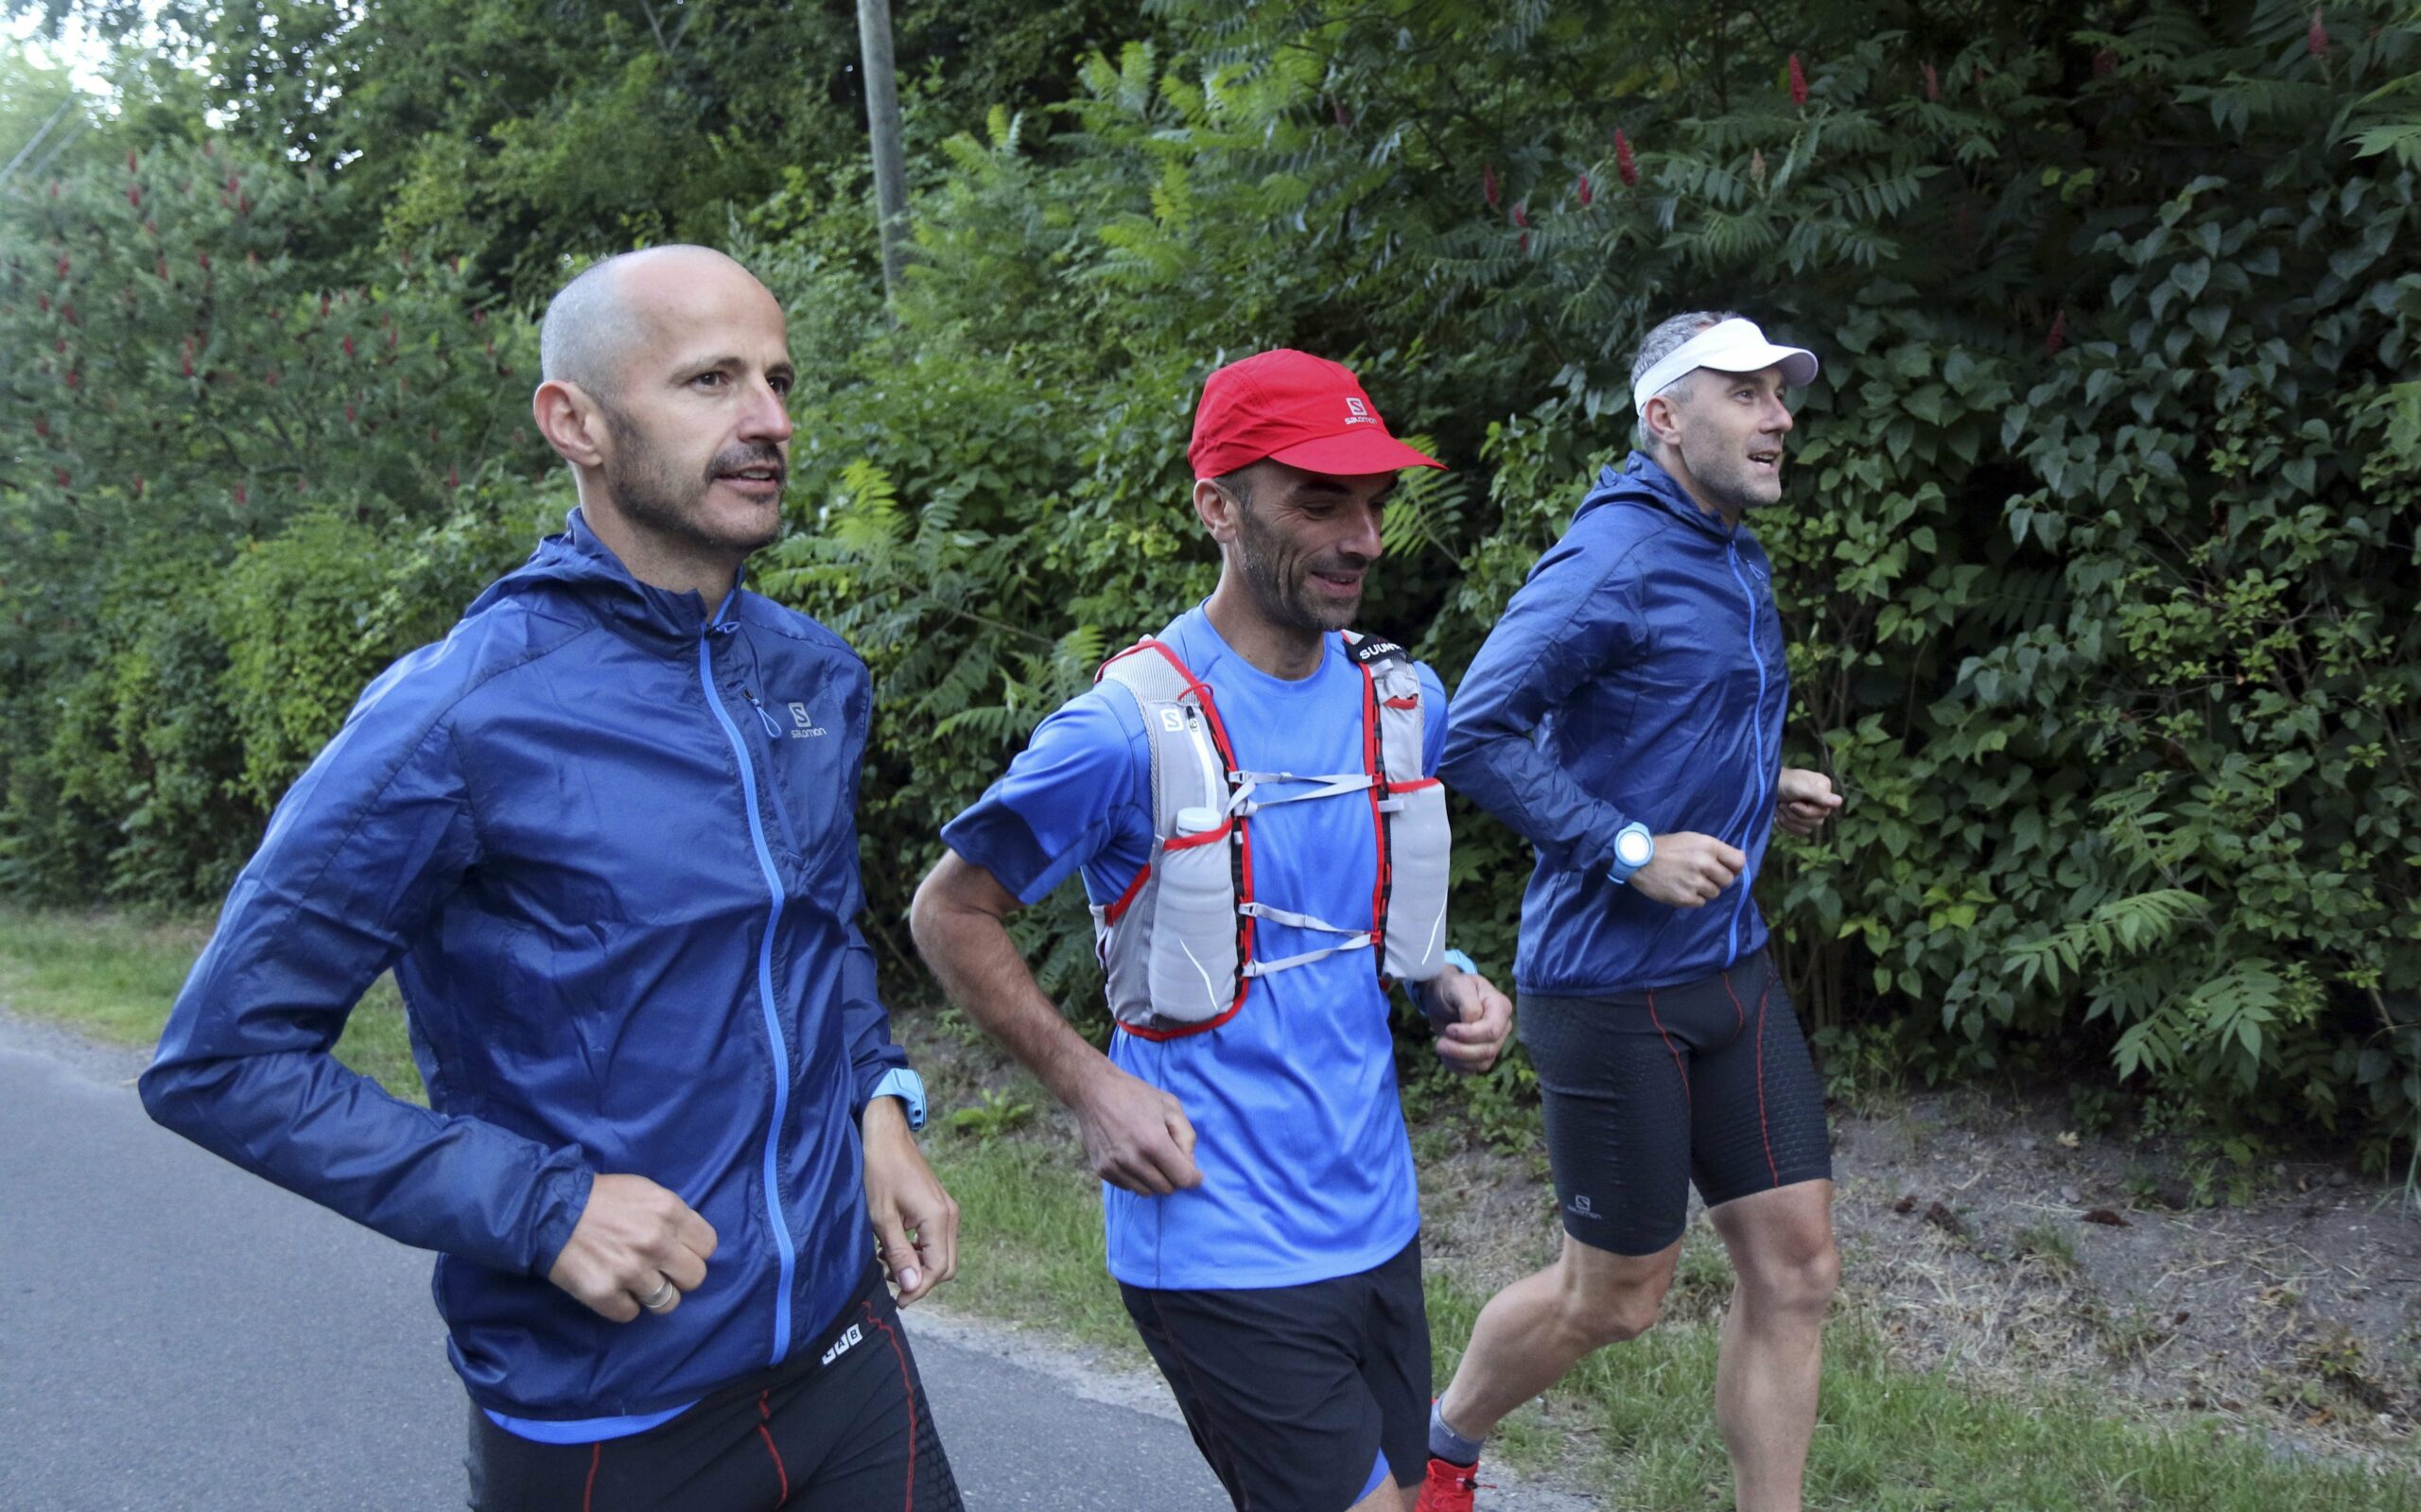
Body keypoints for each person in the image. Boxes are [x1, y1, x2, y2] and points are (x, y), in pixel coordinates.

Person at [140, 245, 966, 1511]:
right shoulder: (460, 715)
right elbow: (222, 1060)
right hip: (606, 1417)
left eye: (778, 379)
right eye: (710, 380)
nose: (769, 420)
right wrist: (540, 1205)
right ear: (574, 420)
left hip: (846, 1357)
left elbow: (813, 930)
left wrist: (876, 1101)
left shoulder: (813, 676)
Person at [910, 348, 1513, 1512]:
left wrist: (1455, 984)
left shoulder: (1402, 700)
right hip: (1213, 1239)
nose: (1362, 539)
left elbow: (1370, 919)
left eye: (1374, 503)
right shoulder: (1122, 730)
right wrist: (1090, 1089)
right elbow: (950, 911)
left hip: (1374, 1221)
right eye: (1318, 501)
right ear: (1216, 507)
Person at [1417, 312, 1845, 1512]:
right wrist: (1627, 847)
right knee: (1615, 1296)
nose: (1778, 417)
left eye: (1781, 395)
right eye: (1747, 394)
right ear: (1665, 416)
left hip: (1732, 967)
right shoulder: (1613, 555)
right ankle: (1443, 1443)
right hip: (1610, 986)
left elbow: (1656, 719)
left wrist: (1764, 781)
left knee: (1797, 1270)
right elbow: (1477, 734)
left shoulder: (1726, 546)